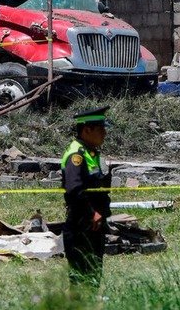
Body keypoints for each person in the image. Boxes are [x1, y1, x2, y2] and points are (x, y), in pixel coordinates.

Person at [61, 105, 112, 288]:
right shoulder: (77, 156)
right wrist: (92, 213)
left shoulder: (92, 154)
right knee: (81, 281)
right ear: (87, 129)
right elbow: (74, 189)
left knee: (93, 279)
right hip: (81, 226)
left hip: (93, 227)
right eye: (100, 129)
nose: (104, 133)